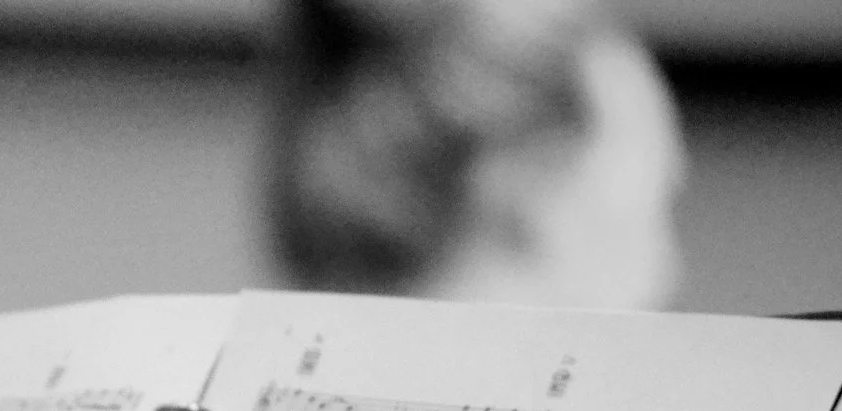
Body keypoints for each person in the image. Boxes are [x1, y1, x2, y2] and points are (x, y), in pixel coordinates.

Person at [266, 0, 685, 311]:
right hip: (414, 345)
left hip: (567, 352)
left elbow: (638, 269)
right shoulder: (350, 107)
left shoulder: (601, 71)